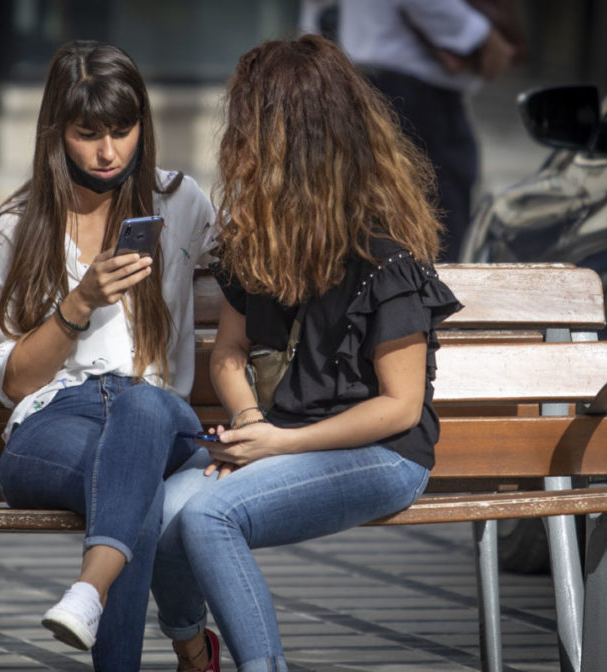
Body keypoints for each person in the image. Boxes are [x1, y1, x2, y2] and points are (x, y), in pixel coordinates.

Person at [151, 35, 462, 672]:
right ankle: (194, 650)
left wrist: (278, 445)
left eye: (249, 124)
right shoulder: (255, 238)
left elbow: (401, 408)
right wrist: (249, 422)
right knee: (161, 510)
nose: (237, 142)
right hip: (279, 440)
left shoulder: (384, 252)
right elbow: (230, 353)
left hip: (379, 455)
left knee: (210, 516)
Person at [0, 40, 215, 671]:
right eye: (88, 134)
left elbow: (257, 272)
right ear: (57, 131)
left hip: (156, 414)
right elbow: (16, 383)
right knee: (136, 486)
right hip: (52, 423)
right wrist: (77, 303)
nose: (109, 152)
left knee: (140, 416)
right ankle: (189, 644)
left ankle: (89, 593)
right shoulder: (17, 229)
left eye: (122, 130)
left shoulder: (180, 204)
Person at [301, 0, 519, 261]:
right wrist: (478, 34)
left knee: (380, 213)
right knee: (429, 219)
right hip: (409, 90)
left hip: (379, 78)